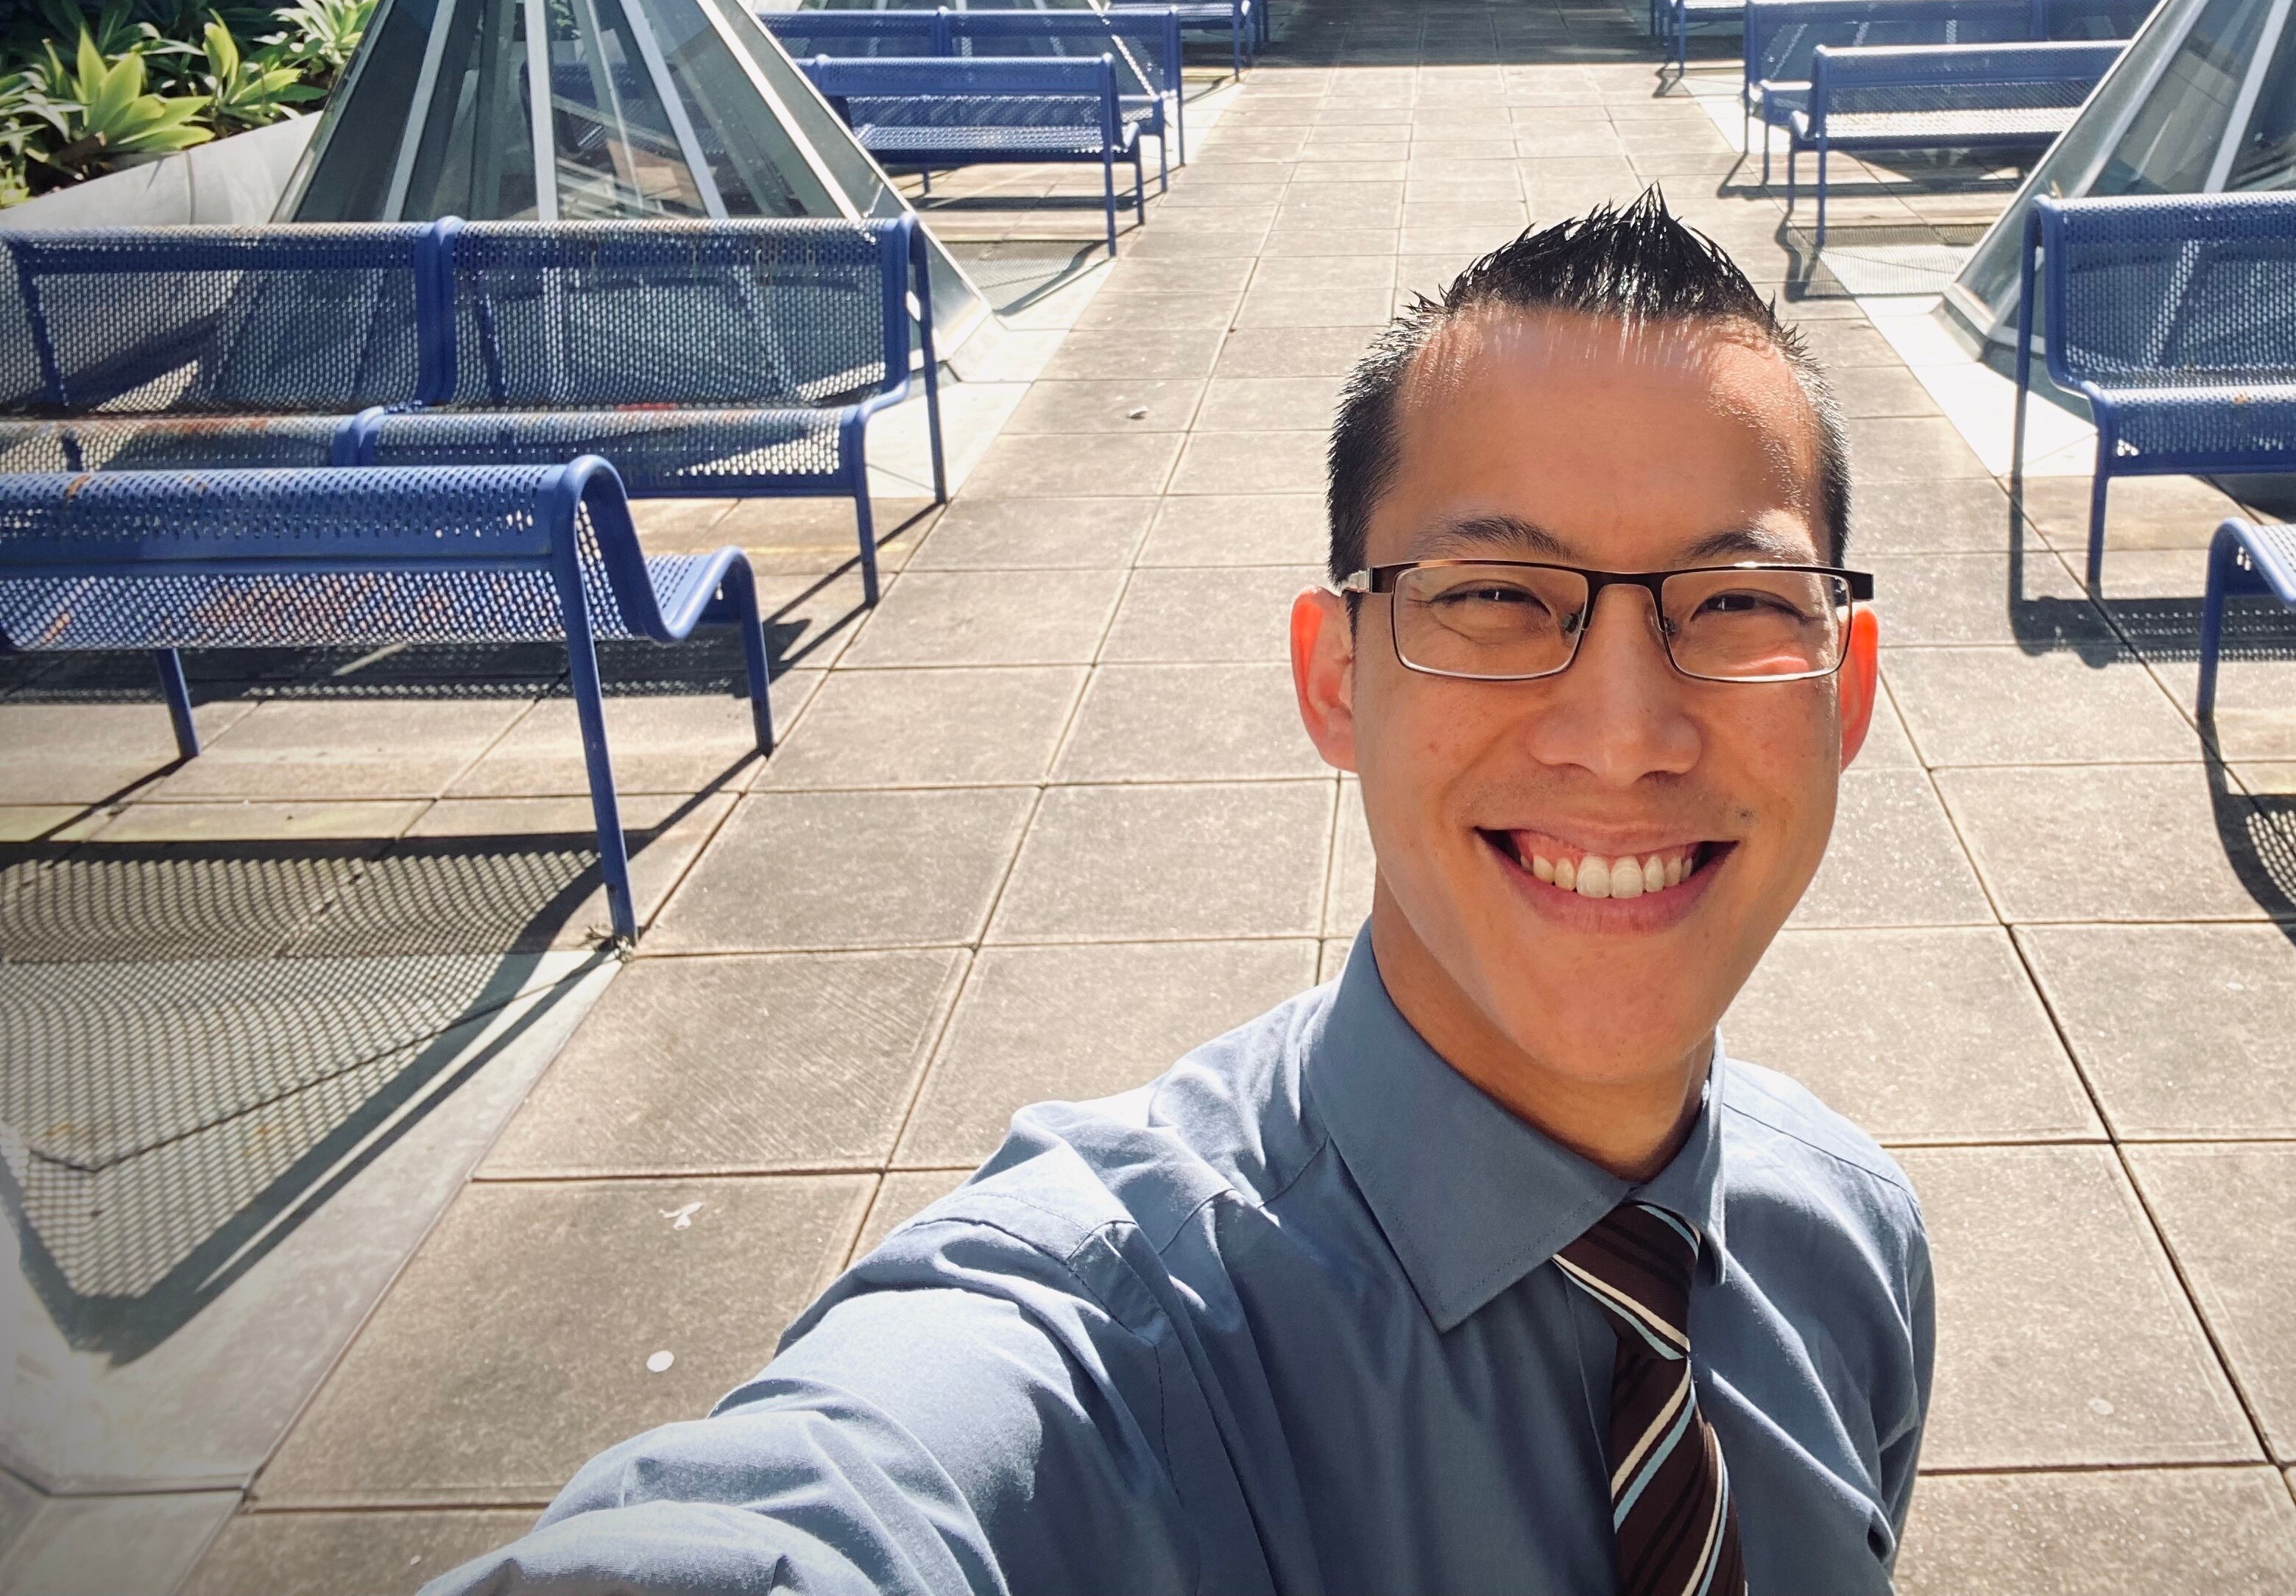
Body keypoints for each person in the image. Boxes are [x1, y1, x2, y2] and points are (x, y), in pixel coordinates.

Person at [429, 192, 1932, 1596]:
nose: (1621, 737)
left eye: (1737, 604)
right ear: (1336, 679)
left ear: (1845, 694)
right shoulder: (1102, 1334)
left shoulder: (1850, 1242)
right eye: (1492, 598)